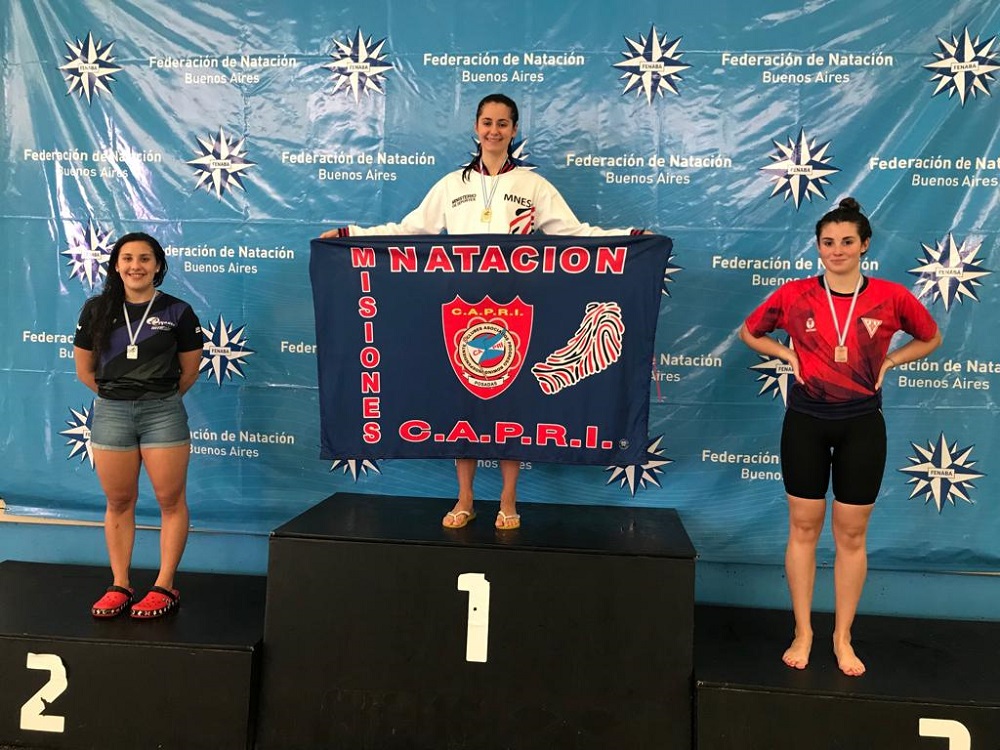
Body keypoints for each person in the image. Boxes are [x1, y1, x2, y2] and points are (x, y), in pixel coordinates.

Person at [322, 93, 647, 531]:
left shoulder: (533, 186)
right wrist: (351, 235)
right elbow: (409, 230)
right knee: (464, 403)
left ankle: (508, 500)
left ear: (514, 130)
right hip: (461, 308)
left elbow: (575, 233)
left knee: (511, 403)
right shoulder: (451, 185)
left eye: (503, 123)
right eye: (487, 122)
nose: (494, 131)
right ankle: (465, 498)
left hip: (517, 308)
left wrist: (631, 239)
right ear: (476, 128)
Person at [739, 197, 941, 676]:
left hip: (862, 425)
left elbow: (931, 337)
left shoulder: (891, 297)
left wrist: (891, 360)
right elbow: (750, 332)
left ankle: (842, 636)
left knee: (851, 534)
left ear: (864, 245)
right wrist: (788, 356)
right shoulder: (794, 295)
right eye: (828, 242)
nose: (836, 250)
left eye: (847, 241)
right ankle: (803, 631)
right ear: (818, 247)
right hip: (806, 422)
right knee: (804, 527)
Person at [74, 232, 203, 619]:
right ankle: (120, 584)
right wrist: (120, 395)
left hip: (163, 413)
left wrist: (155, 397)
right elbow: (84, 370)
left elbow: (189, 371)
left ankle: (165, 585)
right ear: (116, 265)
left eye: (145, 258)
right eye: (128, 258)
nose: (136, 266)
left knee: (170, 501)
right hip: (111, 413)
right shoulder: (96, 310)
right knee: (118, 501)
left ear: (158, 265)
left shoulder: (178, 311)